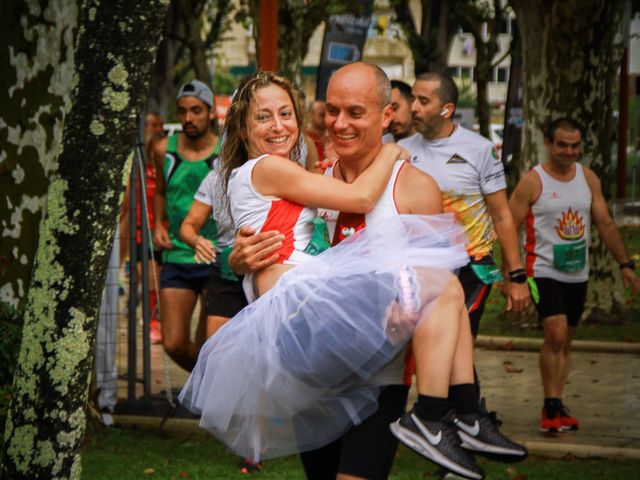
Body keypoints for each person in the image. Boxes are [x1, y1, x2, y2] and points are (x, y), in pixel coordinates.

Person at [219, 65, 526, 480]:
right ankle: (456, 414)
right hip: (316, 364)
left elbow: (438, 294)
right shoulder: (311, 179)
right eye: (333, 111)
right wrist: (240, 260)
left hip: (380, 376)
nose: (341, 123)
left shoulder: (416, 186)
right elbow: (269, 237)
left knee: (445, 286)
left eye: (356, 112)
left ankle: (450, 414)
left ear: (387, 116)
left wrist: (411, 300)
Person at [508, 117, 640, 432]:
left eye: (575, 145)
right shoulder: (533, 181)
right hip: (539, 272)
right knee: (554, 333)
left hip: (577, 274)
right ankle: (549, 407)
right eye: (562, 145)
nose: (569, 151)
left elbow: (605, 223)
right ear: (549, 145)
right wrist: (510, 277)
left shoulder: (588, 178)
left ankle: (556, 403)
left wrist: (626, 264)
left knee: (566, 340)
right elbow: (509, 227)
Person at [399, 71, 531, 336]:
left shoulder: (480, 150)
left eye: (423, 101)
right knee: (427, 348)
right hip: (420, 266)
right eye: (412, 99)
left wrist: (516, 276)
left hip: (471, 265)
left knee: (458, 343)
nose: (413, 107)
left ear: (447, 109)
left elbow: (502, 216)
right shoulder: (401, 149)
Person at [151, 80, 219, 371]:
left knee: (209, 345)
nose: (188, 118)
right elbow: (161, 192)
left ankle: (206, 395)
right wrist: (157, 224)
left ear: (211, 113)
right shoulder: (163, 148)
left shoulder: (226, 150)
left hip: (214, 255)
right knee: (174, 343)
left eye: (196, 111)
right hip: (177, 253)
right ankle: (207, 387)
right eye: (182, 111)